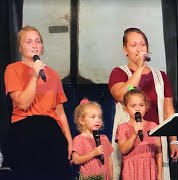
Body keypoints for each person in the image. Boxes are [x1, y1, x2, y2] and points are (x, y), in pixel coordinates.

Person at [108, 27, 178, 179]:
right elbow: (123, 93)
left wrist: (174, 141)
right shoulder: (119, 73)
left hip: (154, 140)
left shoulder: (161, 77)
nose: (139, 49)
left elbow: (169, 111)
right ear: (125, 50)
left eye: (142, 44)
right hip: (130, 138)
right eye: (133, 45)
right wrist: (140, 69)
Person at [4, 26, 72, 179]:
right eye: (28, 42)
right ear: (20, 48)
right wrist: (34, 76)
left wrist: (69, 139)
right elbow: (22, 103)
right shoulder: (13, 69)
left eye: (38, 41)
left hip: (52, 131)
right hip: (25, 130)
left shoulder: (53, 74)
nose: (34, 45)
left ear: (42, 47)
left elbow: (59, 111)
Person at [116, 87, 162, 180]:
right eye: (133, 106)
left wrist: (159, 174)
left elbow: (158, 152)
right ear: (126, 108)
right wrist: (134, 134)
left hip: (149, 170)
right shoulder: (122, 127)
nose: (137, 109)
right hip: (131, 171)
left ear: (146, 106)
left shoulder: (153, 125)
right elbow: (123, 150)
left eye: (141, 105)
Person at [72, 98, 114, 180]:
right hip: (89, 177)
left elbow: (109, 159)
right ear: (82, 120)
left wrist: (111, 176)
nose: (97, 120)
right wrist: (93, 153)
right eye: (93, 117)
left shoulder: (104, 138)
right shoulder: (79, 139)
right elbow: (76, 160)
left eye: (99, 117)